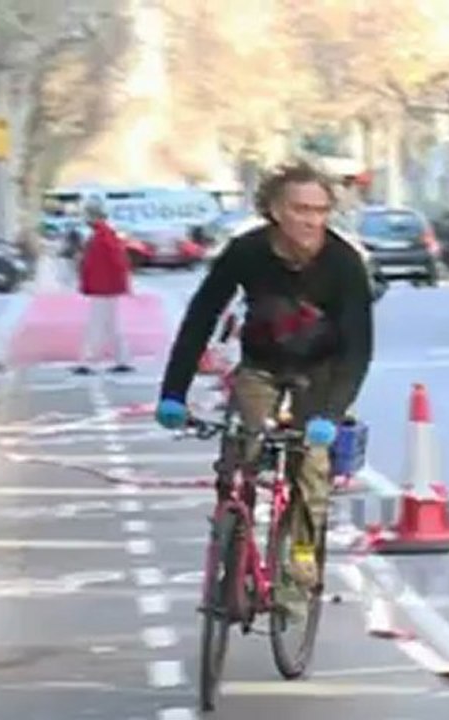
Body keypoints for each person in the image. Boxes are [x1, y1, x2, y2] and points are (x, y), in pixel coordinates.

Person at [154, 160, 375, 609]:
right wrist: (173, 392)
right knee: (240, 453)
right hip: (261, 366)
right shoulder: (246, 252)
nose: (312, 220)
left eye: (320, 210)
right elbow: (201, 318)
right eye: (299, 209)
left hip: (322, 372)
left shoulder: (344, 263)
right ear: (274, 210)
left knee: (310, 470)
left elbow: (358, 349)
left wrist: (331, 414)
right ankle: (230, 555)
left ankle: (298, 568)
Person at [75, 195, 134, 375]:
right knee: (110, 324)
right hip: (108, 287)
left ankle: (88, 361)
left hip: (103, 288)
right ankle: (121, 358)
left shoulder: (101, 236)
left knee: (97, 324)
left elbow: (102, 263)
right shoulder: (107, 234)